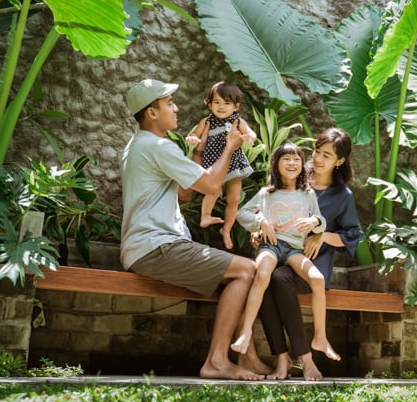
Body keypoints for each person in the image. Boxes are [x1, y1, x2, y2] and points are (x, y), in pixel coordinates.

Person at [119, 78, 265, 380]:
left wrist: (199, 153)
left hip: (148, 246)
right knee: (246, 271)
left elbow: (186, 193)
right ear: (151, 112)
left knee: (237, 277)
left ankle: (246, 357)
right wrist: (230, 147)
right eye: (169, 103)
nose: (177, 108)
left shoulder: (140, 145)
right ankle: (216, 361)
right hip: (157, 246)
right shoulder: (157, 146)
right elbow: (212, 184)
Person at [258, 128, 364, 381]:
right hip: (278, 252)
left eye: (327, 155)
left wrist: (322, 235)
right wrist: (261, 226)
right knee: (260, 279)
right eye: (317, 150)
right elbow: (267, 204)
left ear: (339, 161)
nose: (317, 158)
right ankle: (282, 360)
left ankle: (304, 359)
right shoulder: (296, 177)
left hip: (312, 264)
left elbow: (352, 235)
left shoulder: (342, 196)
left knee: (279, 279)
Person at [232, 141, 341, 364]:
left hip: (293, 249)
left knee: (317, 279)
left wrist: (313, 220)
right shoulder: (266, 193)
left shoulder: (308, 194)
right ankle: (245, 333)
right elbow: (242, 214)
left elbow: (321, 222)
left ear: (302, 164)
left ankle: (320, 337)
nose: (291, 163)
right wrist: (260, 222)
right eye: (286, 159)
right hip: (271, 246)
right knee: (261, 274)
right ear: (276, 164)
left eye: (296, 159)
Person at [186, 81, 256, 250]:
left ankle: (227, 229)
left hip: (233, 163)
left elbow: (250, 133)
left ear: (236, 106)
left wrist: (249, 137)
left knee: (234, 199)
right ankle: (206, 216)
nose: (221, 107)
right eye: (217, 102)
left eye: (227, 103)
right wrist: (193, 139)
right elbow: (193, 135)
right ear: (209, 104)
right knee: (213, 190)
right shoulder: (206, 121)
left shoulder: (238, 121)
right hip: (213, 165)